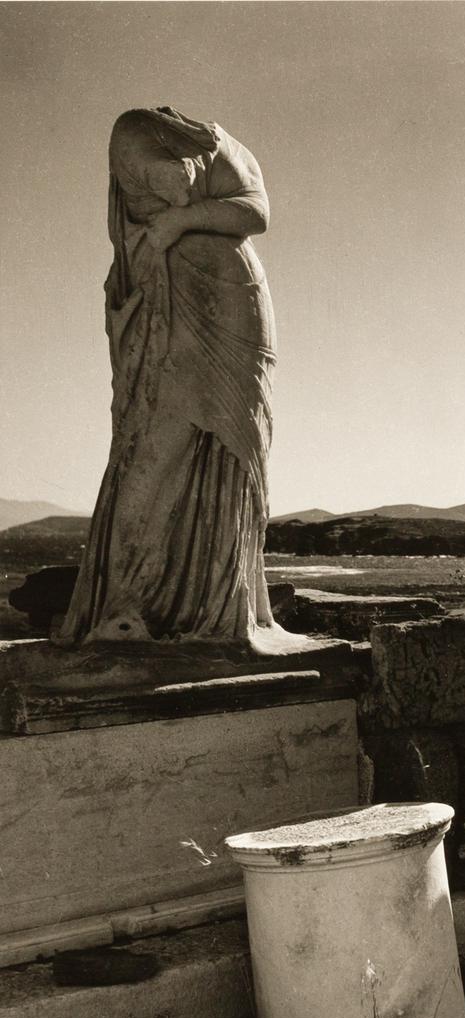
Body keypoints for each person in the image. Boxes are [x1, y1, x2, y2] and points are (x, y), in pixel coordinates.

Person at [57, 107, 278, 645]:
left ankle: (224, 605)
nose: (170, 190)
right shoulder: (129, 135)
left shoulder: (221, 145)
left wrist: (180, 219)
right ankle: (125, 603)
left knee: (237, 444)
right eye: (150, 182)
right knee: (151, 445)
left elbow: (256, 212)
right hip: (164, 304)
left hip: (234, 300)